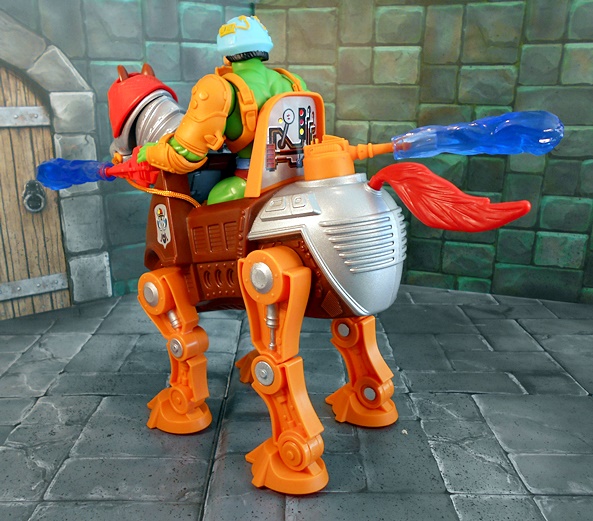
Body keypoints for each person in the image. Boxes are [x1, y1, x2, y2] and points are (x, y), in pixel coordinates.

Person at [137, 15, 306, 204]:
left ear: (225, 55)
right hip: (298, 176)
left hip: (252, 181)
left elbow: (186, 153)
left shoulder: (219, 88)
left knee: (211, 203)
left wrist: (152, 153)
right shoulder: (294, 83)